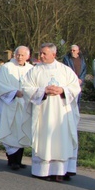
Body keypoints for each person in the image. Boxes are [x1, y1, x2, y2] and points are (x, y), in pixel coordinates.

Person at [21, 43, 81, 181]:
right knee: (45, 139)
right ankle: (43, 171)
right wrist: (44, 91)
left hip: (61, 113)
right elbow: (26, 88)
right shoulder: (35, 71)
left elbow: (75, 87)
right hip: (43, 113)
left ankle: (60, 171)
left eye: (44, 53)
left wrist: (62, 90)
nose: (41, 56)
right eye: (40, 53)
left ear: (53, 54)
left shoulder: (65, 70)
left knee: (61, 140)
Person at [0, 46, 33, 170]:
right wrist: (14, 92)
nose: (20, 57)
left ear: (27, 56)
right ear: (14, 55)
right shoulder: (6, 68)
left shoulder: (31, 69)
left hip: (24, 105)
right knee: (10, 131)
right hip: (10, 104)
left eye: (22, 55)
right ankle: (12, 160)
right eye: (18, 54)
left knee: (21, 131)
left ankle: (19, 160)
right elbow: (0, 85)